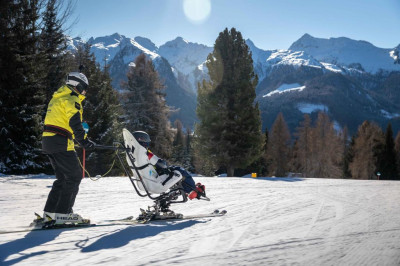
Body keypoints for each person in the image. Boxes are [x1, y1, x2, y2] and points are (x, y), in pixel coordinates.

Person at [40, 71, 96, 225]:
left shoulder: (58, 97)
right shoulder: (72, 99)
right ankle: (63, 214)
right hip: (61, 142)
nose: (85, 91)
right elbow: (75, 123)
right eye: (84, 88)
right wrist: (84, 141)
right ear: (77, 85)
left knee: (62, 178)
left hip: (49, 141)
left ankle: (50, 214)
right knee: (75, 176)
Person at [132, 131, 205, 200]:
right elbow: (161, 164)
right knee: (179, 170)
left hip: (144, 182)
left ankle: (189, 189)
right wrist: (163, 163)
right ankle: (194, 190)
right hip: (155, 180)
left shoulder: (133, 154)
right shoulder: (146, 153)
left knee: (175, 173)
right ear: (142, 140)